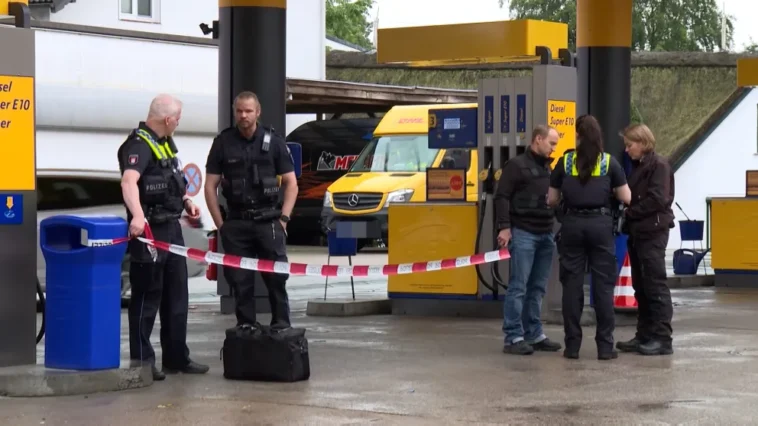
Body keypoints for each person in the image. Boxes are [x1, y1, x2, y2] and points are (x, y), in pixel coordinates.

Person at [118, 94, 210, 381]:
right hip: (150, 232)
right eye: (178, 119)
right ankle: (143, 363)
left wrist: (186, 201)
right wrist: (137, 216)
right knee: (147, 297)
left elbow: (172, 179)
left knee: (176, 296)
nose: (179, 123)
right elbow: (129, 182)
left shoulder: (165, 144)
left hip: (172, 228)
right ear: (168, 119)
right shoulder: (138, 145)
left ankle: (176, 357)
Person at [204, 91, 299, 331]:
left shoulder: (274, 142)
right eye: (239, 111)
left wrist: (284, 219)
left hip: (269, 221)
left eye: (248, 111)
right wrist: (221, 224)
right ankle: (246, 327)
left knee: (276, 278)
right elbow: (210, 186)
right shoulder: (223, 143)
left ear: (258, 112)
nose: (243, 115)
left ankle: (282, 326)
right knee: (240, 280)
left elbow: (291, 183)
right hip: (236, 222)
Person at [547, 114, 631, 360]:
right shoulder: (608, 163)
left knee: (572, 287)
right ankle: (605, 347)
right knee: (603, 287)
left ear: (578, 136)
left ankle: (572, 347)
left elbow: (552, 199)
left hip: (572, 225)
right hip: (600, 226)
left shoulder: (565, 162)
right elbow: (626, 197)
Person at [495, 125, 563, 355]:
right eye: (551, 143)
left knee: (537, 288)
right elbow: (502, 197)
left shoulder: (547, 167)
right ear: (538, 139)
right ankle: (513, 336)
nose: (554, 148)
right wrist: (505, 228)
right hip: (524, 232)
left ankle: (533, 333)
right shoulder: (516, 165)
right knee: (518, 287)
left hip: (545, 233)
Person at [617, 123, 675, 356]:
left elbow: (658, 199)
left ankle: (662, 337)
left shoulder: (658, 166)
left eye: (630, 145)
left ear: (642, 142)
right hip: (639, 232)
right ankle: (644, 334)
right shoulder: (641, 166)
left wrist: (631, 212)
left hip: (652, 231)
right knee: (641, 286)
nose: (627, 149)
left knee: (654, 284)